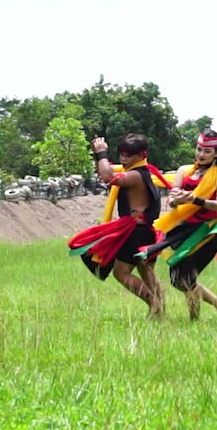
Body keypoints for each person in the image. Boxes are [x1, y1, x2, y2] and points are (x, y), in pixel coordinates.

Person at [136, 128, 217, 322]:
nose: (201, 154)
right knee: (177, 279)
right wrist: (178, 200)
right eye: (199, 149)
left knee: (185, 276)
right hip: (182, 229)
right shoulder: (183, 171)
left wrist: (195, 200)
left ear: (216, 154)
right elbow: (172, 202)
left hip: (209, 230)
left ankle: (194, 320)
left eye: (207, 151)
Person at [67, 134, 167, 319]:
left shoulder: (136, 175)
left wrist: (101, 152)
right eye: (122, 154)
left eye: (128, 155)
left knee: (121, 273)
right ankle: (160, 309)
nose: (123, 158)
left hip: (137, 232)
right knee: (146, 272)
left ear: (141, 155)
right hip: (144, 230)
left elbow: (108, 176)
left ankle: (154, 304)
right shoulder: (141, 172)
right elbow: (106, 171)